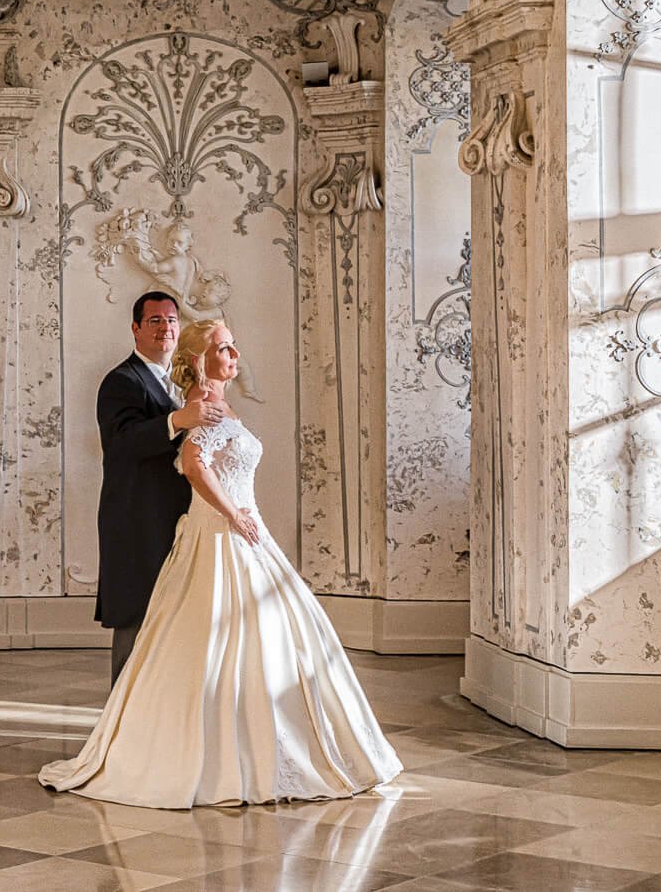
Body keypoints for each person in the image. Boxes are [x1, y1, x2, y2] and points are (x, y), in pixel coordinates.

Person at [42, 319, 401, 808]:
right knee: (213, 640)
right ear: (198, 361)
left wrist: (239, 514)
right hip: (221, 535)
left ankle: (254, 745)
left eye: (233, 345)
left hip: (238, 533)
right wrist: (233, 514)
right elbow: (193, 464)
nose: (234, 353)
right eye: (223, 347)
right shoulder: (202, 408)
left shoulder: (216, 404)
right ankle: (222, 756)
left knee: (263, 638)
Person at [94, 291, 224, 683]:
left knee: (174, 616)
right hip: (137, 520)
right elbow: (122, 443)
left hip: (179, 520)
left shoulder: (185, 384)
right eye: (154, 320)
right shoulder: (120, 381)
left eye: (171, 320)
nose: (164, 328)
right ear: (135, 328)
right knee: (138, 617)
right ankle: (121, 722)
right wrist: (179, 420)